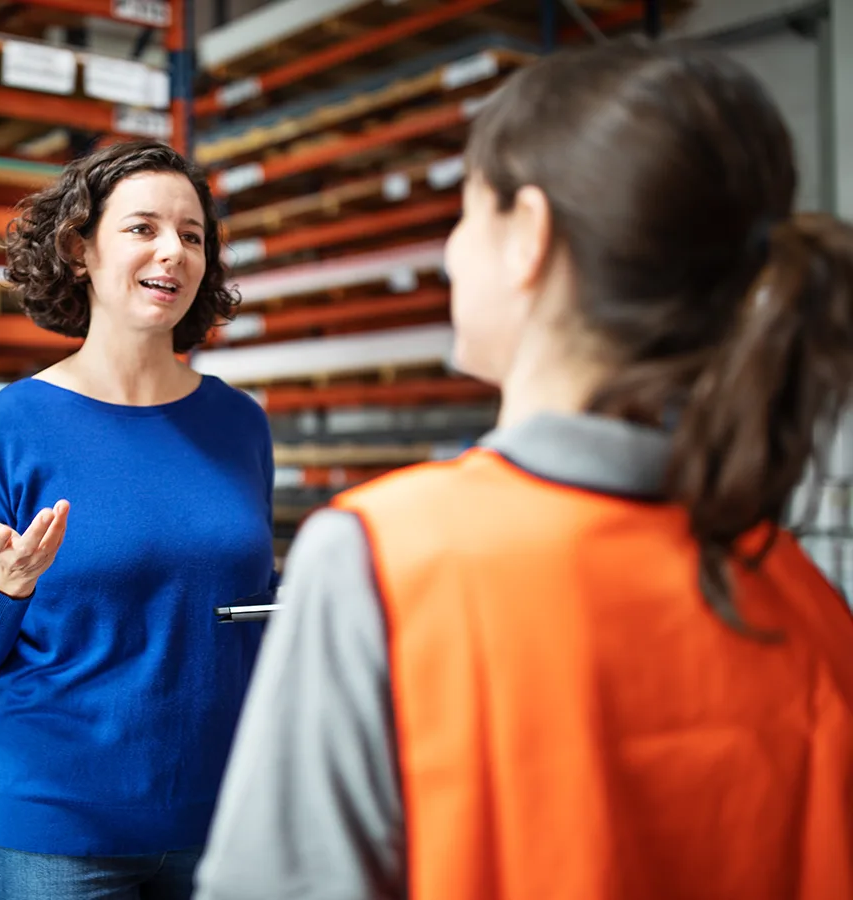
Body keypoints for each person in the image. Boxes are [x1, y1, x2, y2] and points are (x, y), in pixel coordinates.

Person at [195, 39, 853, 900]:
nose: (449, 252)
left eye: (466, 214)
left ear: (528, 237)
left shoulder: (385, 561)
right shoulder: (805, 597)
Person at [0, 138, 277, 900]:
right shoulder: (10, 426)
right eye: (143, 228)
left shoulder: (239, 424)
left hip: (225, 819)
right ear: (79, 249)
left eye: (193, 236)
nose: (173, 252)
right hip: (63, 837)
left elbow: (251, 610)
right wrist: (5, 584)